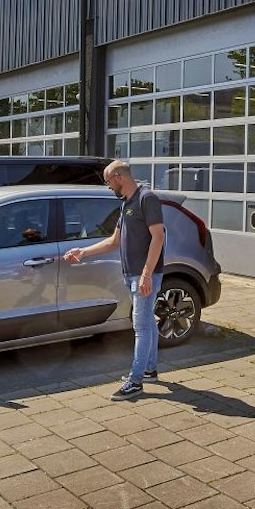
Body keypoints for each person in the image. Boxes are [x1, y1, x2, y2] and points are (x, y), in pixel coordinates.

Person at [63, 160, 166, 400]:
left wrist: (147, 274)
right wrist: (83, 252)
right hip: (133, 274)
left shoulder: (146, 198)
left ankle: (136, 381)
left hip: (145, 275)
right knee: (148, 323)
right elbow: (114, 241)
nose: (108, 187)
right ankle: (149, 369)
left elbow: (158, 237)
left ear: (119, 177)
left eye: (108, 181)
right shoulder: (126, 204)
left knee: (140, 326)